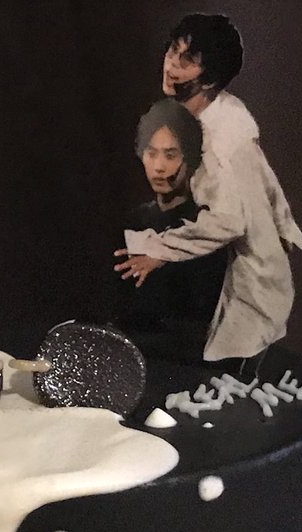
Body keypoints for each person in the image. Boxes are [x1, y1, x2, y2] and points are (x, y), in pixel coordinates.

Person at [114, 13, 302, 374]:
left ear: (211, 78)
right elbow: (267, 181)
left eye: (187, 60)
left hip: (247, 277)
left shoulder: (218, 140)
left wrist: (161, 252)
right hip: (237, 259)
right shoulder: (221, 111)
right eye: (173, 51)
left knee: (229, 367)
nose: (171, 65)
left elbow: (230, 220)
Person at [112, 99, 228, 361]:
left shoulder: (206, 227)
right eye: (151, 153)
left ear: (191, 158)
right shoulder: (135, 219)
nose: (159, 167)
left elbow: (198, 322)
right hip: (130, 355)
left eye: (170, 155)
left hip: (188, 361)